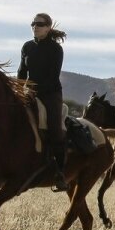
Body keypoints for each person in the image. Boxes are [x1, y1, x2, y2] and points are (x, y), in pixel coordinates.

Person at [17, 13, 69, 192]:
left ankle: (60, 173)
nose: (35, 26)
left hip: (50, 94)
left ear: (48, 27)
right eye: (33, 23)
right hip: (29, 92)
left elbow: (52, 76)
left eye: (39, 24)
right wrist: (20, 89)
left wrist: (34, 90)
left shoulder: (56, 49)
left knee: (55, 129)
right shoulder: (27, 47)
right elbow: (22, 72)